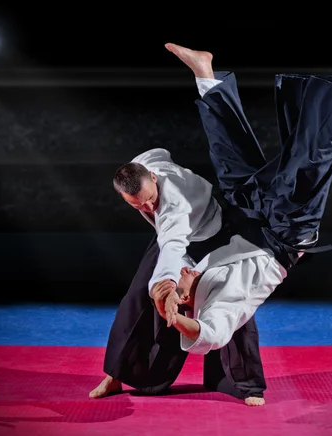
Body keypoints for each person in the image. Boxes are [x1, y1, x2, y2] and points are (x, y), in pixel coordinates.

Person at [160, 43, 332, 355]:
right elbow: (211, 335)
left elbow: (177, 260)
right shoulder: (219, 306)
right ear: (187, 302)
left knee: (229, 161)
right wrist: (176, 318)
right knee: (315, 162)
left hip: (254, 219)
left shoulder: (198, 271)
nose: (184, 275)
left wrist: (171, 286)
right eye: (182, 289)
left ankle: (204, 73)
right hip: (289, 234)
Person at [89, 148, 268, 406]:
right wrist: (156, 290)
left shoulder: (175, 204)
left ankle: (247, 385)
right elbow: (161, 152)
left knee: (231, 299)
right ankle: (117, 375)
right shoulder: (143, 165)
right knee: (137, 298)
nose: (148, 207)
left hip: (213, 238)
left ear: (153, 177)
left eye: (151, 200)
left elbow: (174, 246)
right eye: (138, 204)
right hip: (171, 238)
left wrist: (167, 284)